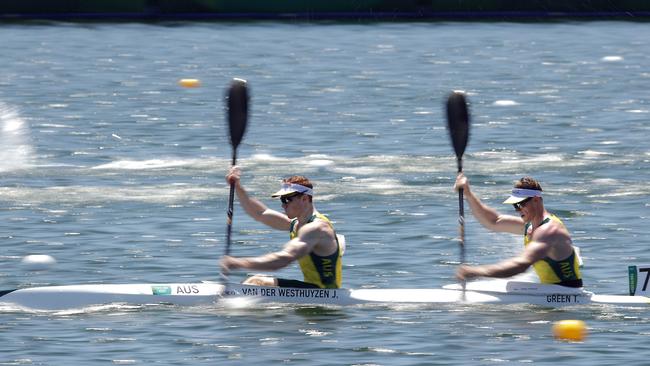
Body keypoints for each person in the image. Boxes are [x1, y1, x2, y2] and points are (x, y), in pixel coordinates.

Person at [219, 166, 343, 289]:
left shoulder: (317, 228)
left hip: (326, 293)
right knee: (256, 281)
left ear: (305, 199)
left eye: (286, 199)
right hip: (311, 290)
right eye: (282, 200)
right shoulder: (295, 223)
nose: (283, 205)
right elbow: (260, 213)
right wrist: (237, 186)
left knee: (256, 282)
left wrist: (237, 263)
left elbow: (284, 259)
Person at [454, 173, 582, 288]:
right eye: (515, 206)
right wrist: (468, 194)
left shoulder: (549, 231)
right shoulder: (530, 225)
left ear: (536, 200)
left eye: (521, 205)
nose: (518, 210)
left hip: (567, 299)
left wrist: (475, 272)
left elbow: (521, 264)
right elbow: (493, 221)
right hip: (550, 293)